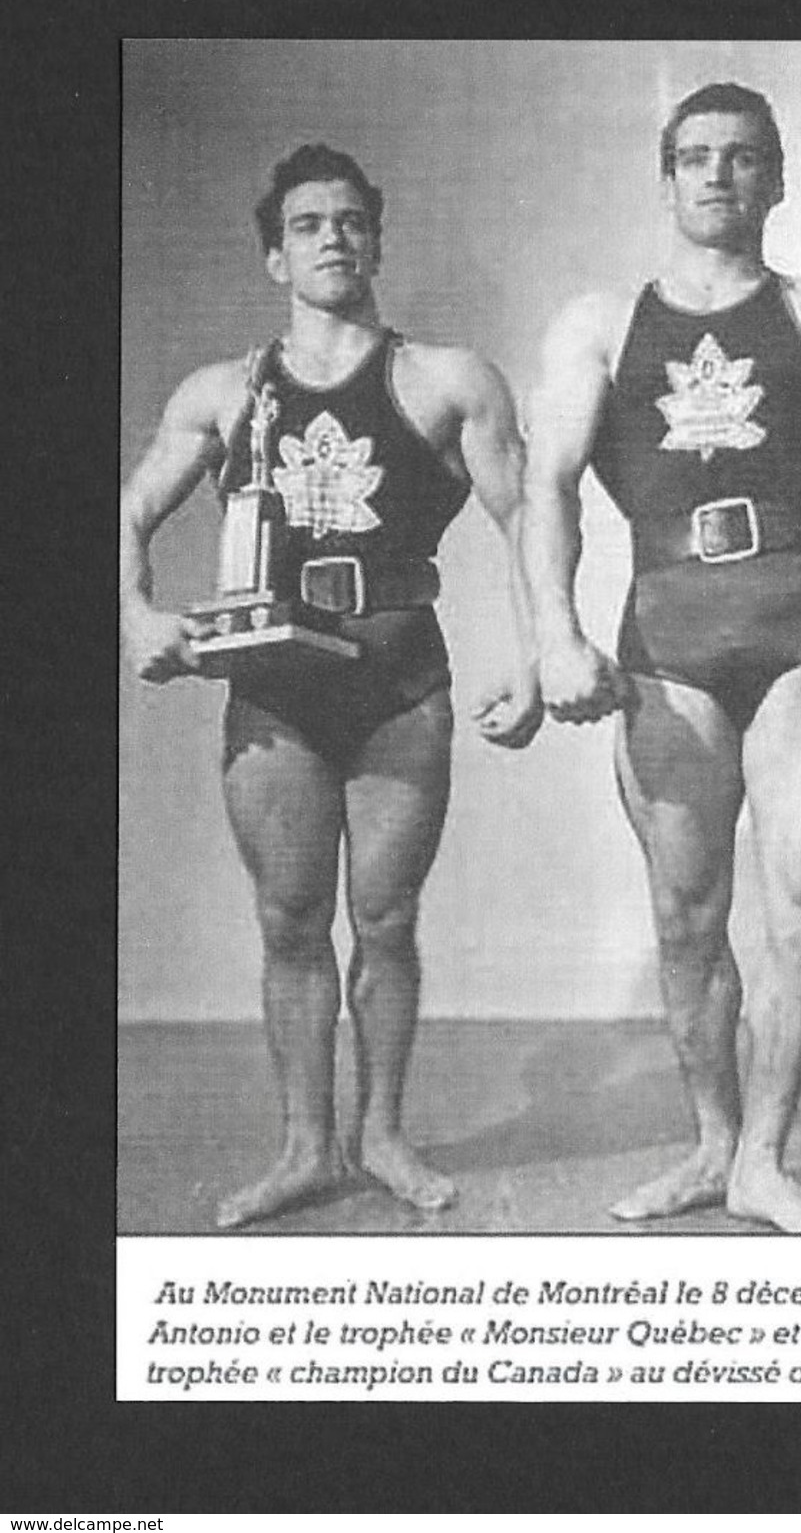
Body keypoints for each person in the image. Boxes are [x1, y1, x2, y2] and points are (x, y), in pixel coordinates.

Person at [523, 83, 801, 1232]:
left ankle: (765, 1159)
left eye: (743, 157)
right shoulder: (599, 325)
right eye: (695, 157)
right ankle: (711, 1144)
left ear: (778, 178)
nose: (717, 175)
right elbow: (547, 488)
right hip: (667, 639)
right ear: (665, 181)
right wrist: (554, 633)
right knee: (685, 916)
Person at [120, 143, 541, 1229]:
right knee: (289, 917)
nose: (333, 237)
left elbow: (529, 516)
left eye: (351, 220)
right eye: (308, 224)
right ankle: (308, 1146)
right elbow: (125, 511)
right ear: (275, 257)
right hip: (276, 690)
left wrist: (544, 653)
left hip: (401, 679)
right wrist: (137, 615)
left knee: (388, 917)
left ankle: (384, 1134)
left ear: (378, 239)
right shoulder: (223, 393)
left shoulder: (445, 379)